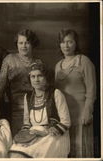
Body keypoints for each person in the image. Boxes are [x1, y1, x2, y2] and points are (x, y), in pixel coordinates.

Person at [9, 62, 71, 158]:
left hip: (53, 135)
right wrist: (23, 136)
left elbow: (66, 122)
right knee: (16, 150)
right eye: (32, 77)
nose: (36, 80)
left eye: (40, 76)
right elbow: (27, 123)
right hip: (34, 134)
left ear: (46, 77)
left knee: (38, 152)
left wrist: (45, 132)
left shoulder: (56, 94)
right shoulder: (28, 97)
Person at [55, 29, 96, 157]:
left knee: (81, 149)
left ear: (76, 43)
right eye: (63, 42)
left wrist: (87, 111)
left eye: (69, 42)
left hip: (80, 113)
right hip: (64, 115)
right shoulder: (58, 66)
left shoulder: (84, 61)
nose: (66, 46)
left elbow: (92, 89)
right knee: (67, 149)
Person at [0, 29, 42, 136]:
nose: (23, 46)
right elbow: (0, 86)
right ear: (16, 44)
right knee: (19, 138)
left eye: (27, 42)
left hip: (36, 107)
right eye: (20, 43)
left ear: (33, 44)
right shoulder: (9, 60)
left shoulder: (38, 63)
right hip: (16, 107)